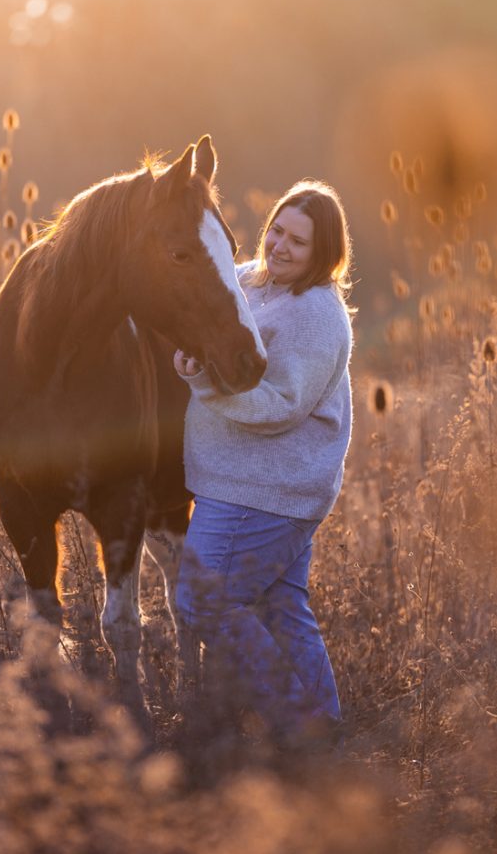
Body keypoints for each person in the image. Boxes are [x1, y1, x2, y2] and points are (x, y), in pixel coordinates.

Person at [173, 179, 354, 744]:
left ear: (322, 254)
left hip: (264, 492)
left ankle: (298, 729)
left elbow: (280, 406)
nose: (279, 246)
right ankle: (326, 732)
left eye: (298, 242)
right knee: (281, 607)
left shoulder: (317, 313)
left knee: (203, 602)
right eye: (277, 229)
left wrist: (201, 381)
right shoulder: (251, 282)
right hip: (253, 486)